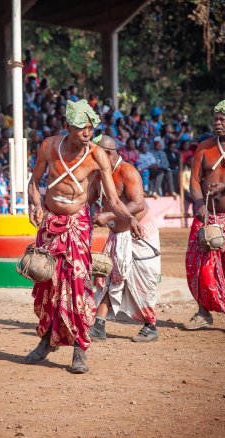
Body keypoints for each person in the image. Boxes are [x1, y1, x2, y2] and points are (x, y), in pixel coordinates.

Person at [25, 99, 143, 374]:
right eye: (80, 129)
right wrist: (34, 204)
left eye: (90, 129)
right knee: (47, 285)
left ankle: (80, 349)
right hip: (50, 224)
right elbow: (34, 182)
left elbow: (113, 201)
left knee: (78, 286)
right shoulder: (49, 146)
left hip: (77, 226)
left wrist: (130, 218)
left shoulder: (97, 156)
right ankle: (46, 341)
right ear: (67, 126)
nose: (87, 134)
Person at [89, 135, 161, 342]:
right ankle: (99, 325)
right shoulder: (98, 175)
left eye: (96, 155)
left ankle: (151, 325)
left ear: (108, 154)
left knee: (142, 279)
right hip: (117, 234)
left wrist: (109, 215)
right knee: (109, 276)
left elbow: (138, 204)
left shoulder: (127, 171)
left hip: (140, 232)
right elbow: (87, 200)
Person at [184, 100, 225, 330]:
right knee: (200, 266)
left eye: (222, 119)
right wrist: (199, 202)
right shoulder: (204, 147)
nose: (217, 123)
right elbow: (194, 181)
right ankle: (203, 312)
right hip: (207, 216)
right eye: (216, 119)